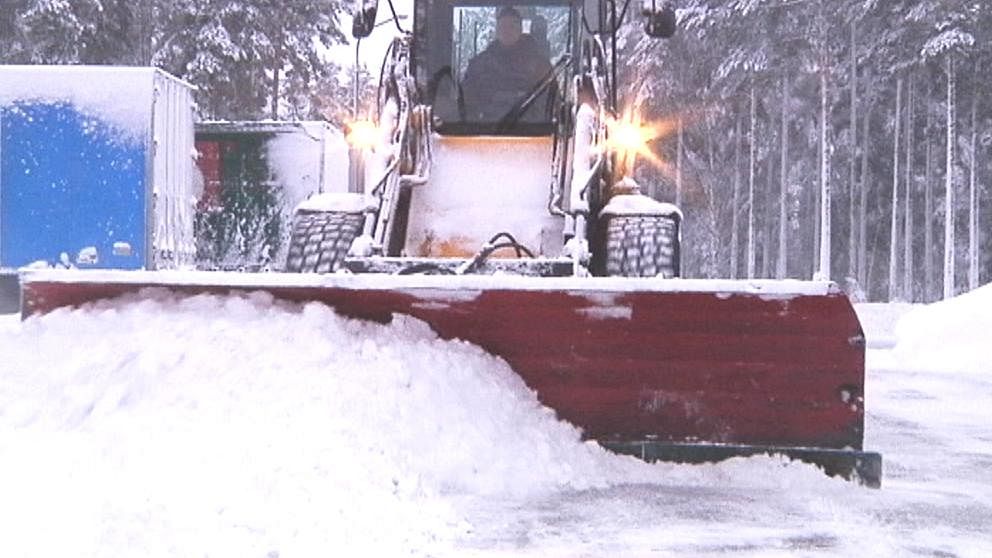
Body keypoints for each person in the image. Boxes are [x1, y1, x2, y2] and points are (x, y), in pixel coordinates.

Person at [461, 7, 552, 123]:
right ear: (497, 31)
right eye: (502, 27)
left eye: (512, 27)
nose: (506, 31)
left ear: (520, 30)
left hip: (533, 133)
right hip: (485, 132)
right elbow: (466, 103)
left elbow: (550, 103)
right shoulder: (479, 65)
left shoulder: (540, 66)